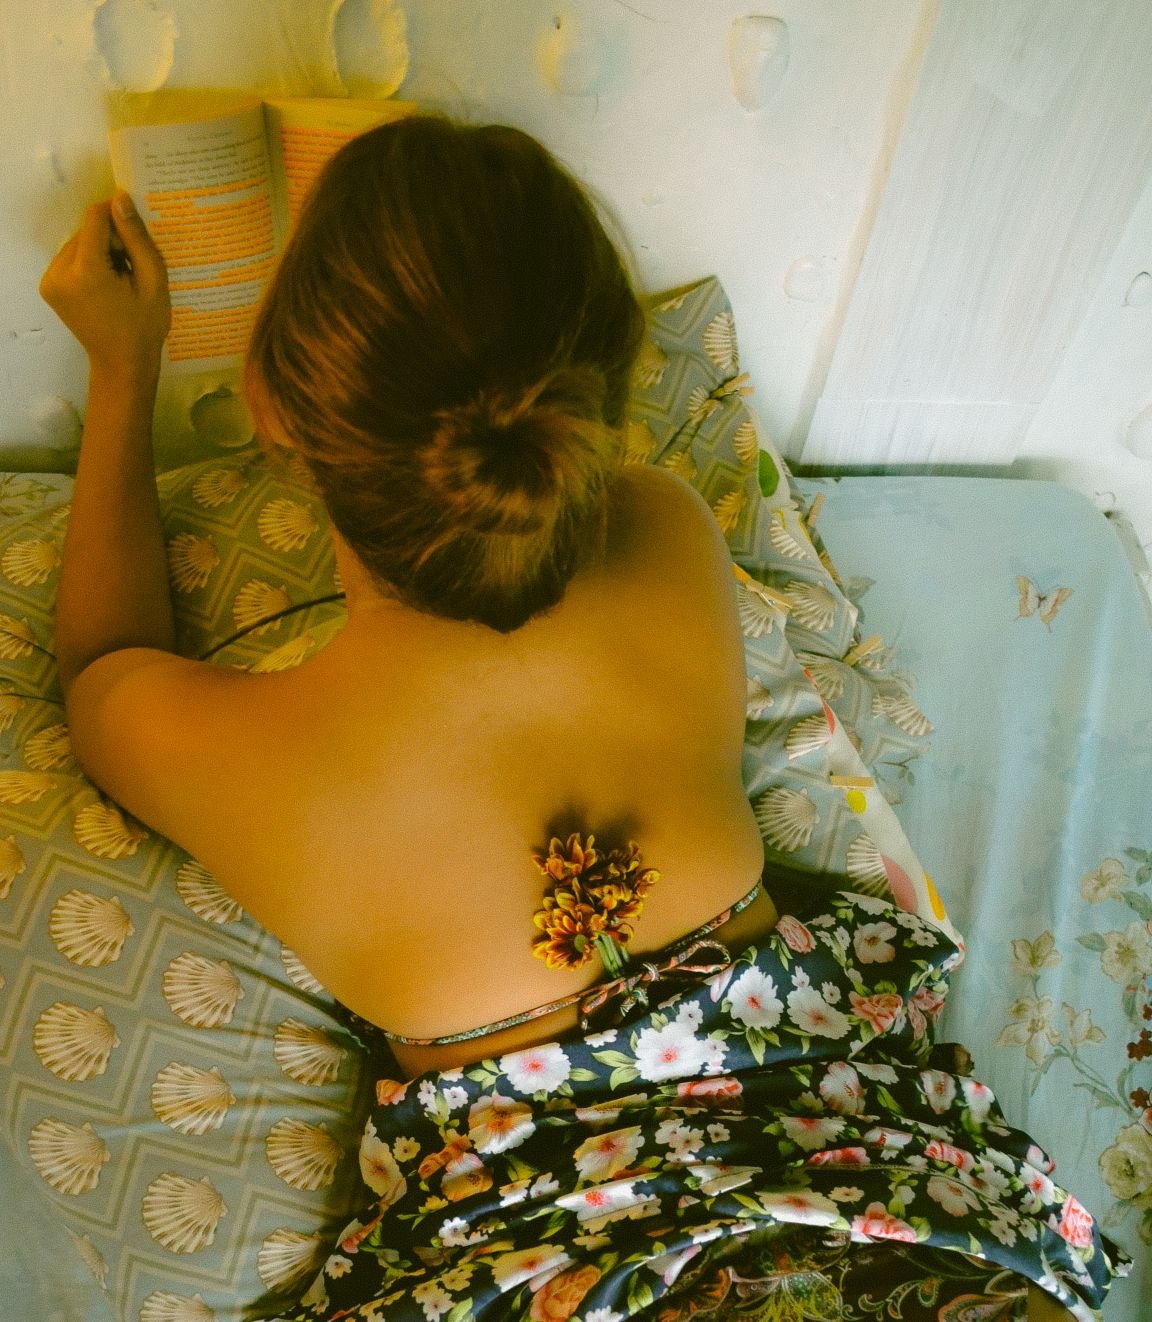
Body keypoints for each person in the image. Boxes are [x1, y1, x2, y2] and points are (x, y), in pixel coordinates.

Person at [39, 113, 1124, 1321]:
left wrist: (123, 366)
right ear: (604, 395)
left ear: (270, 408)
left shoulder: (266, 760)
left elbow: (103, 666)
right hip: (832, 1161)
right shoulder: (663, 529)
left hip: (551, 1236)